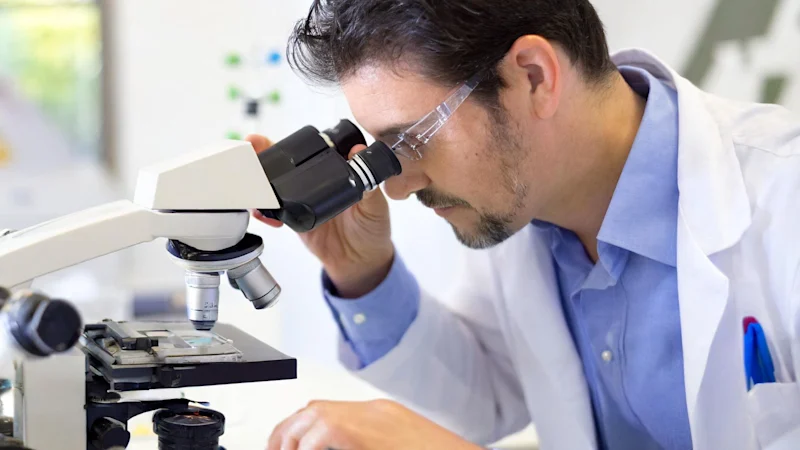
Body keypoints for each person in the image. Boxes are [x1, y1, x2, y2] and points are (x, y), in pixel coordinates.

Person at [253, 1, 800, 449]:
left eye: (410, 141)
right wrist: (362, 270)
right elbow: (484, 397)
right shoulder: (524, 212)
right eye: (383, 153)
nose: (398, 185)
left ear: (534, 77)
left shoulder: (785, 202)